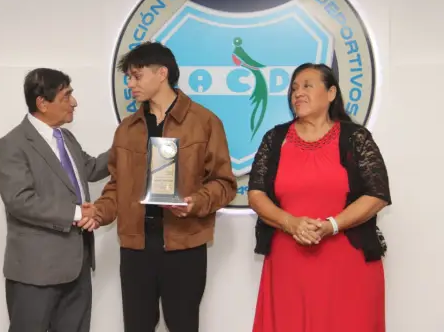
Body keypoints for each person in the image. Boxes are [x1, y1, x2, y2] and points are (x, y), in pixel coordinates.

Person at [91, 42, 237, 332]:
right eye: (128, 78)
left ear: (162, 73)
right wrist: (97, 212)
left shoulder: (205, 122)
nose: (130, 84)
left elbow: (225, 184)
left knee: (183, 325)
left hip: (184, 246)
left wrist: (196, 202)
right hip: (135, 248)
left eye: (136, 76)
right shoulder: (127, 129)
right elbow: (116, 186)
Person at [248, 63, 391, 332]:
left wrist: (332, 225)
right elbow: (256, 194)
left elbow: (377, 194)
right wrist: (290, 223)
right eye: (294, 88)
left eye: (307, 86)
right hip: (289, 263)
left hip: (348, 263)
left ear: (331, 93)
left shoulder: (355, 137)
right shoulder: (275, 139)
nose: (297, 93)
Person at [0, 68, 109, 332]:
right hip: (36, 273)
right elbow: (20, 201)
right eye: (66, 96)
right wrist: (77, 214)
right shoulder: (12, 144)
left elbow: (90, 168)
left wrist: (128, 145)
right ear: (42, 103)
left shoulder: (66, 138)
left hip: (78, 269)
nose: (74, 102)